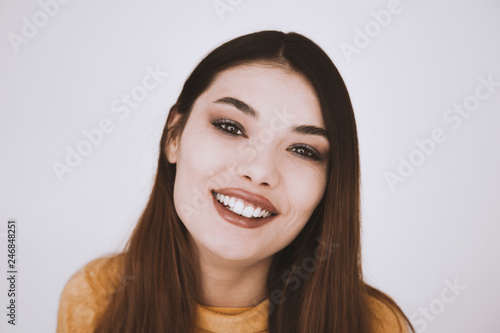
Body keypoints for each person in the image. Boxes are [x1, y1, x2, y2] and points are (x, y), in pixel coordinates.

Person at [57, 30, 414, 333]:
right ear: (174, 137)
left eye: (303, 150)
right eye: (230, 127)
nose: (259, 172)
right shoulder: (94, 298)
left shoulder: (377, 325)